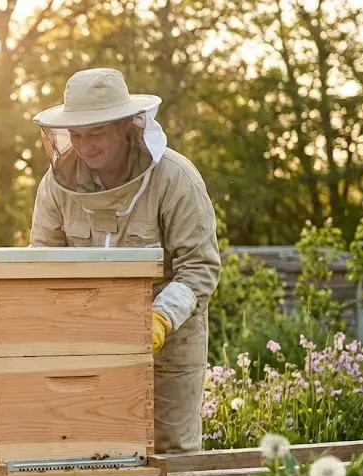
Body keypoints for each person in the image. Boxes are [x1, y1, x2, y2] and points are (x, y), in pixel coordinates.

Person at [29, 67, 221, 455]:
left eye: (96, 133)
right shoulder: (56, 185)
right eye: (77, 134)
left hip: (169, 338)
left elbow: (200, 266)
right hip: (86, 337)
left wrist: (160, 318)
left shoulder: (175, 178)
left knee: (170, 451)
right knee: (88, 447)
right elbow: (40, 267)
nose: (85, 145)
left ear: (126, 127)